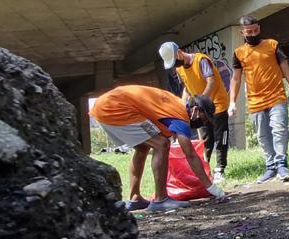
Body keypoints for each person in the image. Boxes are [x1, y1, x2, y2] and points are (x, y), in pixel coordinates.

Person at [89, 85, 226, 210]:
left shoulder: (176, 105)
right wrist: (211, 187)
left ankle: (135, 198)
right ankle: (161, 199)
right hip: (114, 107)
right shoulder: (181, 116)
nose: (204, 123)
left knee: (143, 148)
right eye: (204, 118)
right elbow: (190, 154)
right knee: (161, 144)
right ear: (195, 110)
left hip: (106, 105)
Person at [228, 15, 289, 183]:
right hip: (255, 101)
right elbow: (235, 79)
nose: (253, 33)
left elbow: (285, 67)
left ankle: (282, 164)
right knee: (263, 136)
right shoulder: (239, 53)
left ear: (259, 28)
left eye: (255, 30)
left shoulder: (272, 45)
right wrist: (232, 102)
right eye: (249, 31)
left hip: (276, 96)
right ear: (242, 33)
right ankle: (271, 167)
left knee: (279, 130)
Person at [159, 41, 231, 185]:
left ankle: (220, 169)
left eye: (175, 60)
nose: (175, 64)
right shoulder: (180, 69)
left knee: (220, 136)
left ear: (179, 52)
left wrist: (201, 102)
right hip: (200, 109)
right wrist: (182, 106)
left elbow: (211, 82)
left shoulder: (201, 60)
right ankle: (205, 168)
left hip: (217, 104)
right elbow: (186, 89)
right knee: (205, 140)